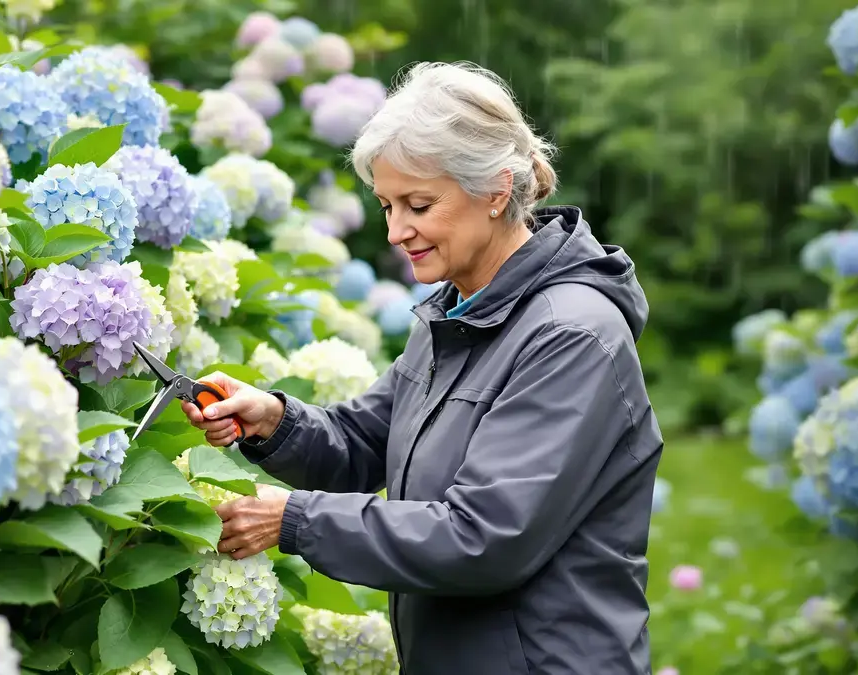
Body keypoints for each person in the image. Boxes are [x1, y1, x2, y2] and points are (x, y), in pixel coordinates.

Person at [181, 61, 663, 675]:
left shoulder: (569, 335)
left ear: (495, 190)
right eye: (386, 205)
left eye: (419, 204)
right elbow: (367, 441)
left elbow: (484, 539)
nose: (395, 231)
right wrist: (273, 420)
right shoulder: (462, 309)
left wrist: (293, 520)